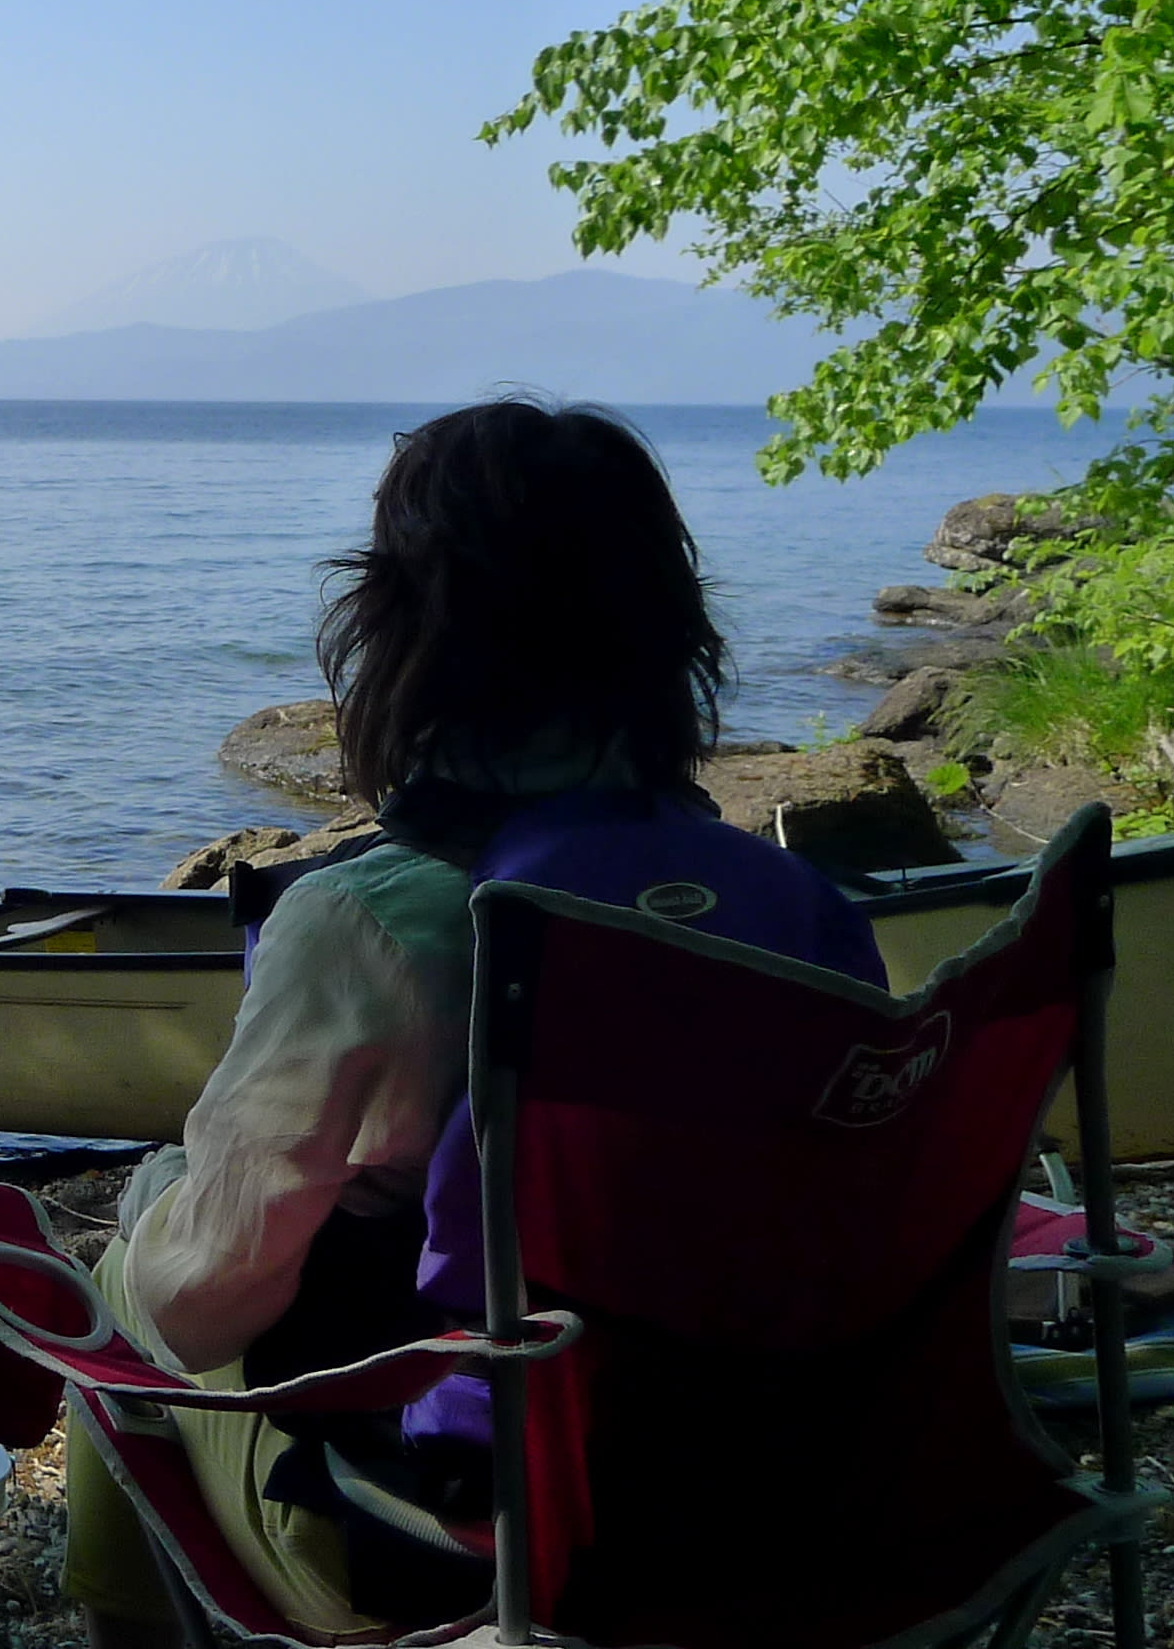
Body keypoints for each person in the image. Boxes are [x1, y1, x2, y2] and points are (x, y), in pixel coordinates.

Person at [63, 398, 890, 1644]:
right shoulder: (789, 905)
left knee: (122, 1298)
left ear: (393, 627)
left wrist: (146, 1214)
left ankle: (129, 1626)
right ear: (668, 628)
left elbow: (204, 1307)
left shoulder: (371, 919)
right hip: (785, 1490)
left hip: (481, 1534)